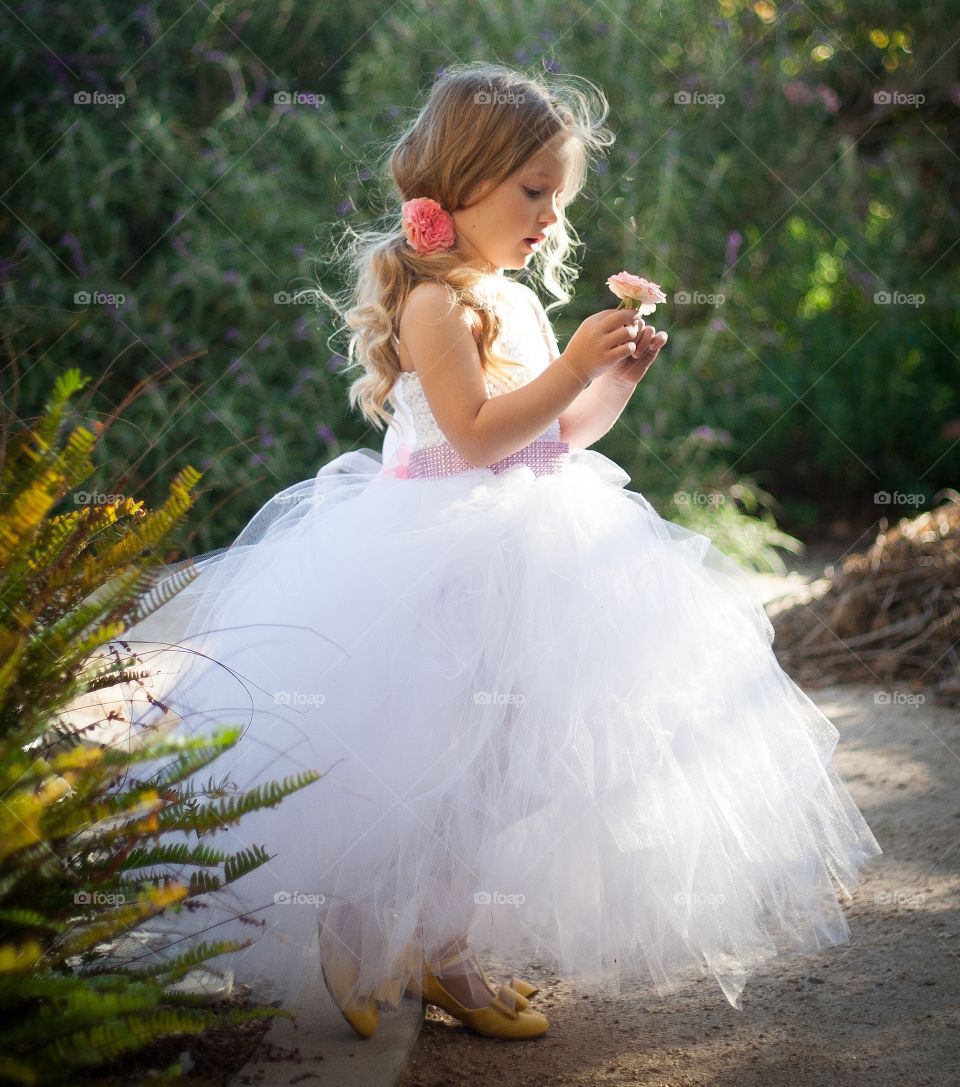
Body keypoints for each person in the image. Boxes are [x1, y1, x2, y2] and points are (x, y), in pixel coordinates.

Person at [103, 61, 882, 1041]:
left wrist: (611, 381)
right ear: (462, 184)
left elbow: (555, 435)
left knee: (507, 765)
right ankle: (373, 926)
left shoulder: (513, 299)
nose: (551, 217)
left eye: (558, 197)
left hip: (533, 551)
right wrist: (567, 367)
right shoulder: (434, 303)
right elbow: (473, 433)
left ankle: (440, 942)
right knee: (424, 759)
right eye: (534, 192)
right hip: (436, 556)